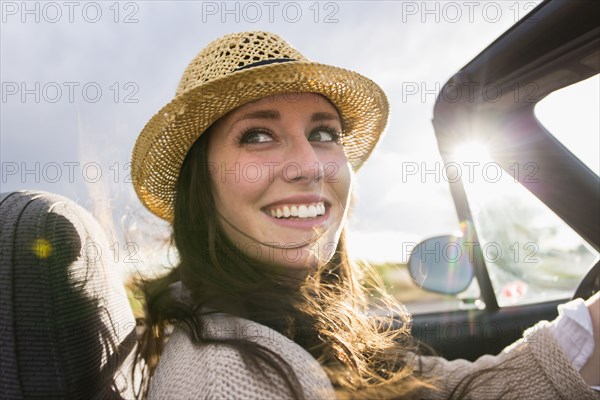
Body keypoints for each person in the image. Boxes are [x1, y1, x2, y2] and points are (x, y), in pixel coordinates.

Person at [130, 31, 600, 399]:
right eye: (257, 136)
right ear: (201, 187)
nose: (311, 166)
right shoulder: (235, 380)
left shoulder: (302, 325)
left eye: (323, 133)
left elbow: (454, 392)